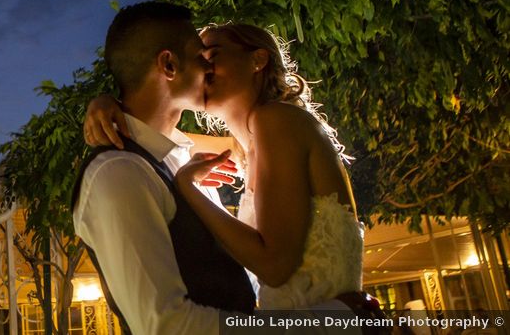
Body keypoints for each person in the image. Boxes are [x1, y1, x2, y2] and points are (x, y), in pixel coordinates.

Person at [84, 22, 373, 315]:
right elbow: (149, 134)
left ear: (257, 60)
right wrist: (107, 104)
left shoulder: (276, 121)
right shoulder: (245, 146)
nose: (203, 70)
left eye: (213, 57)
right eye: (200, 60)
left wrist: (189, 189)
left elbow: (274, 266)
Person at [71, 2, 255, 335]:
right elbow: (168, 327)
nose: (209, 68)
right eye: (201, 56)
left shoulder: (181, 157)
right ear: (168, 64)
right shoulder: (118, 173)